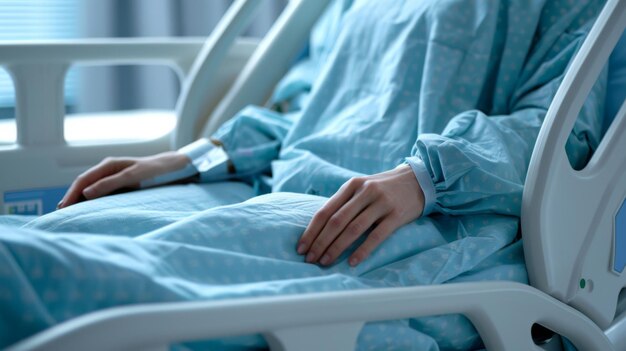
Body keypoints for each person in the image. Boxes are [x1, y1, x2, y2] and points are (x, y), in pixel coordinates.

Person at [0, 0, 606, 349]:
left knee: (54, 276)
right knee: (69, 232)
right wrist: (194, 159)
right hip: (272, 185)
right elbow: (304, 106)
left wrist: (423, 178)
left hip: (413, 217)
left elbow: (562, 132)